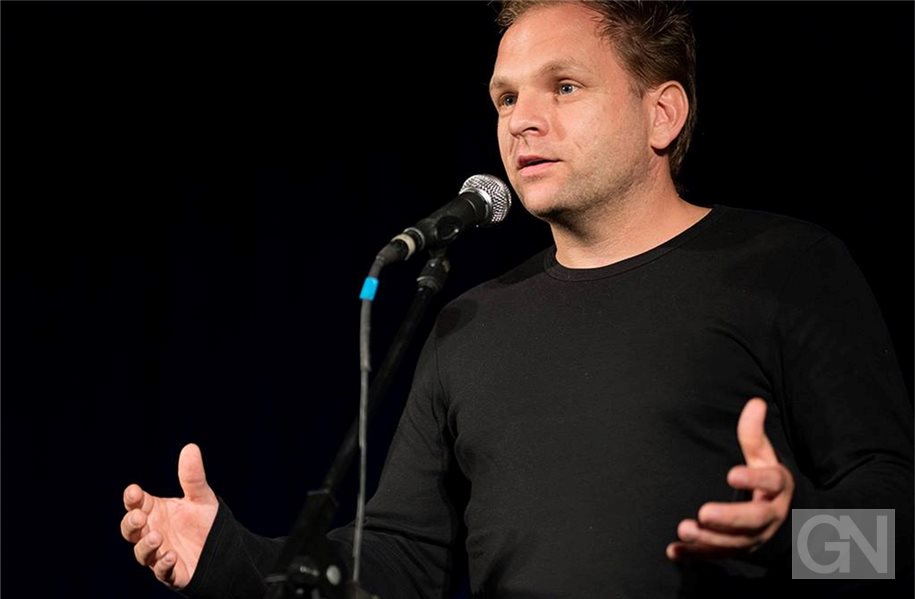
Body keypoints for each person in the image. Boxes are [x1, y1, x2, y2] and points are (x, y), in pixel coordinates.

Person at [121, 1, 913, 597]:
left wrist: (790, 534)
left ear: (660, 113)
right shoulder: (468, 322)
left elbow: (895, 543)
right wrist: (229, 555)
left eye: (563, 87)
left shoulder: (784, 266)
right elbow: (401, 561)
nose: (522, 120)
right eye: (504, 99)